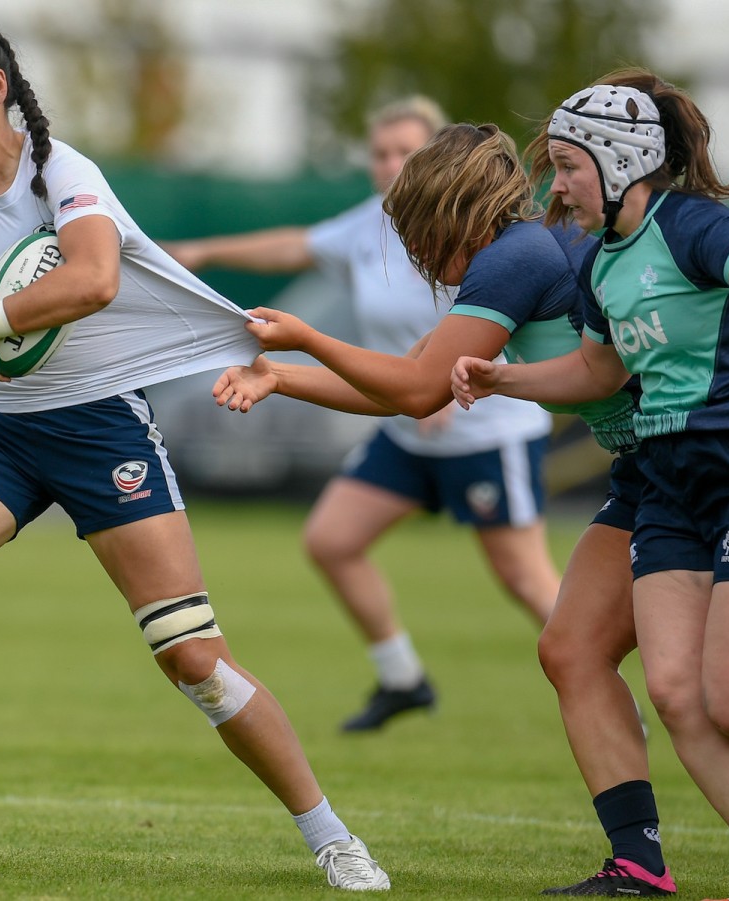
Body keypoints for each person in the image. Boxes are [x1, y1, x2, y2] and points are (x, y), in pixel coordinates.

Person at [0, 21, 390, 891]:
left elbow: (94, 276)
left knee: (191, 656)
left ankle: (329, 835)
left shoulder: (64, 174)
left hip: (102, 430)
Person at [163, 97, 560, 733]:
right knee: (331, 540)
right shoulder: (378, 224)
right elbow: (406, 378)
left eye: (407, 151)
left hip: (487, 433)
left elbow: (426, 380)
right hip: (410, 428)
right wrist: (212, 265)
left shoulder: (503, 253)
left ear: (445, 166)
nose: (391, 165)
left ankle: (612, 691)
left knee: (532, 586)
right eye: (380, 153)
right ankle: (402, 678)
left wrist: (311, 345)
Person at [448, 69, 729, 898]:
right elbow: (596, 369)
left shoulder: (694, 227)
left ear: (620, 163)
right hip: (665, 485)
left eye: (570, 167)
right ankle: (649, 867)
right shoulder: (602, 267)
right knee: (677, 693)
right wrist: (502, 379)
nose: (557, 186)